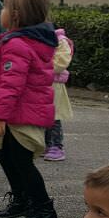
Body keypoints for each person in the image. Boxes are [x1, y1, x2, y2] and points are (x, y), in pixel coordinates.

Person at [0, 0, 59, 218]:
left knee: (20, 159)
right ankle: (22, 198)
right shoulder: (26, 40)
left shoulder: (17, 44)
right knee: (4, 153)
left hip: (20, 114)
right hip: (19, 112)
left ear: (15, 15)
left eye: (4, 7)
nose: (0, 12)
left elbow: (11, 85)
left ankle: (43, 207)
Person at [45, 27, 75, 162]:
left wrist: (40, 66)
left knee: (54, 116)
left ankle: (57, 146)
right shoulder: (38, 36)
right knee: (41, 115)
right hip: (40, 82)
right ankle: (46, 144)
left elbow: (61, 63)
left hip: (54, 83)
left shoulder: (60, 40)